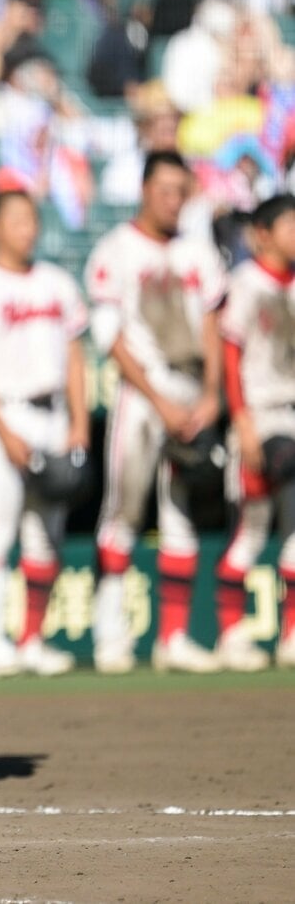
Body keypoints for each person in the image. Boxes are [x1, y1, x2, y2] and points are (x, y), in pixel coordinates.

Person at [87, 151, 226, 674]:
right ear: (145, 189)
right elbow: (110, 338)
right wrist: (159, 398)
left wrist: (211, 395)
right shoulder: (116, 249)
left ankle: (174, 637)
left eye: (181, 191)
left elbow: (212, 324)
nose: (173, 200)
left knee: (182, 512)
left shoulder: (198, 252)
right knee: (123, 511)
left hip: (190, 389)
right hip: (142, 393)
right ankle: (109, 636)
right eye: (165, 189)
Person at [0, 189, 89, 678]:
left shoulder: (56, 282)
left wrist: (78, 421)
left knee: (44, 537)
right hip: (1, 418)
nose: (27, 229)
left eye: (31, 219)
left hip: (51, 415)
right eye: (16, 220)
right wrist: (1, 427)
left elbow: (75, 356)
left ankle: (33, 640)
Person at [213, 194, 295, 672]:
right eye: (288, 226)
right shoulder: (245, 282)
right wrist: (241, 421)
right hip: (260, 417)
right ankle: (230, 634)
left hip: (291, 412)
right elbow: (230, 354)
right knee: (251, 530)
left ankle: (290, 636)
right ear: (262, 233)